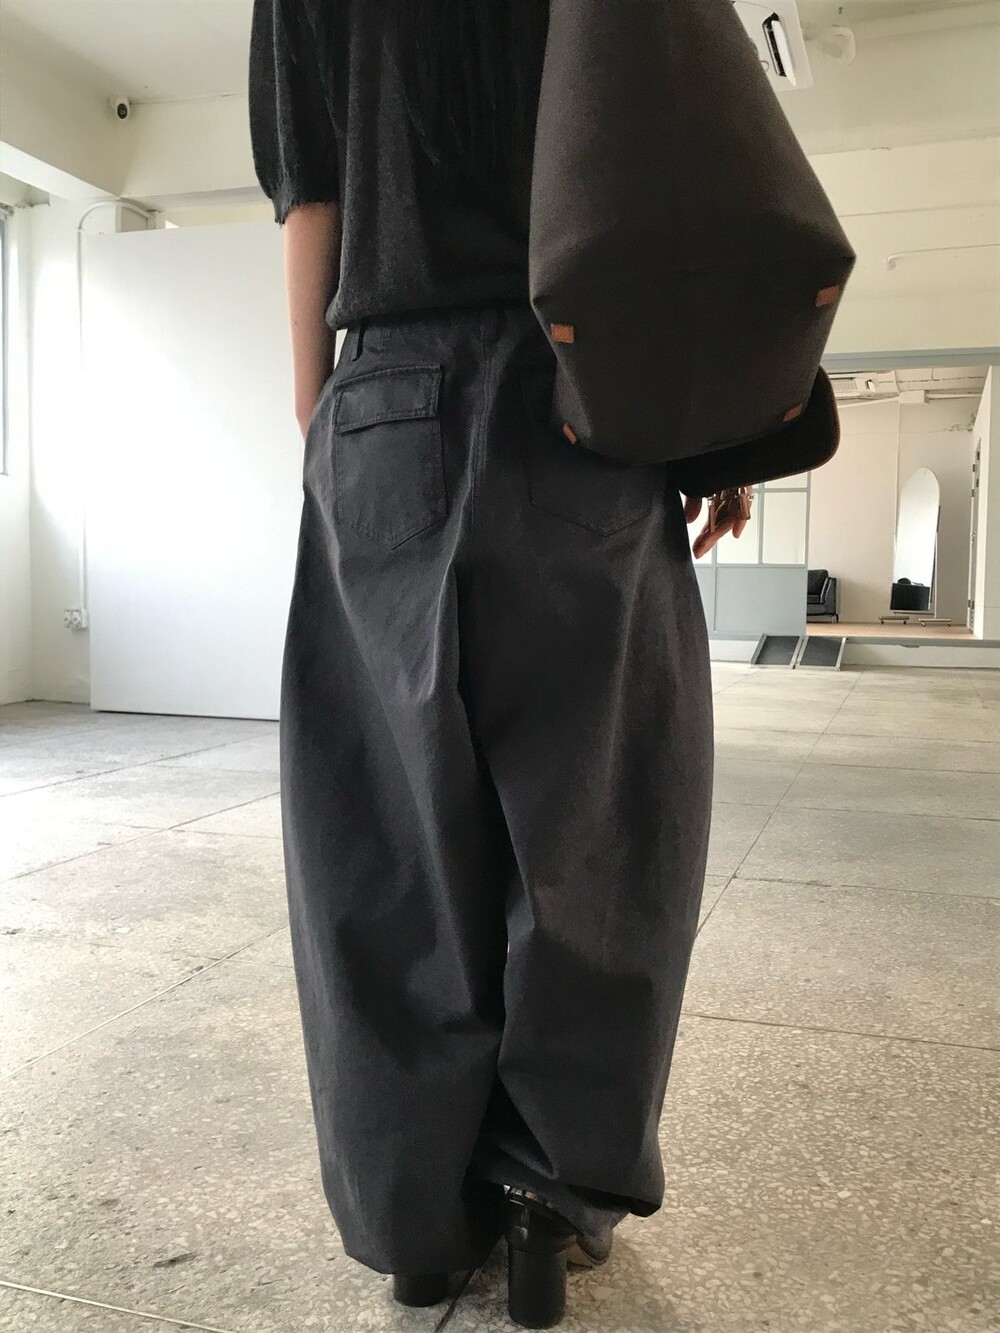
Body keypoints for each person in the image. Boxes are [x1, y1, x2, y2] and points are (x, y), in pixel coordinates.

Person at [247, 2, 748, 1326]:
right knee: (595, 824)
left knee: (386, 835)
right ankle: (544, 1199)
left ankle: (415, 1217)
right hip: (586, 390)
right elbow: (670, 165)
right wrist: (710, 423)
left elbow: (312, 192)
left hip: (384, 385)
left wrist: (327, 416)